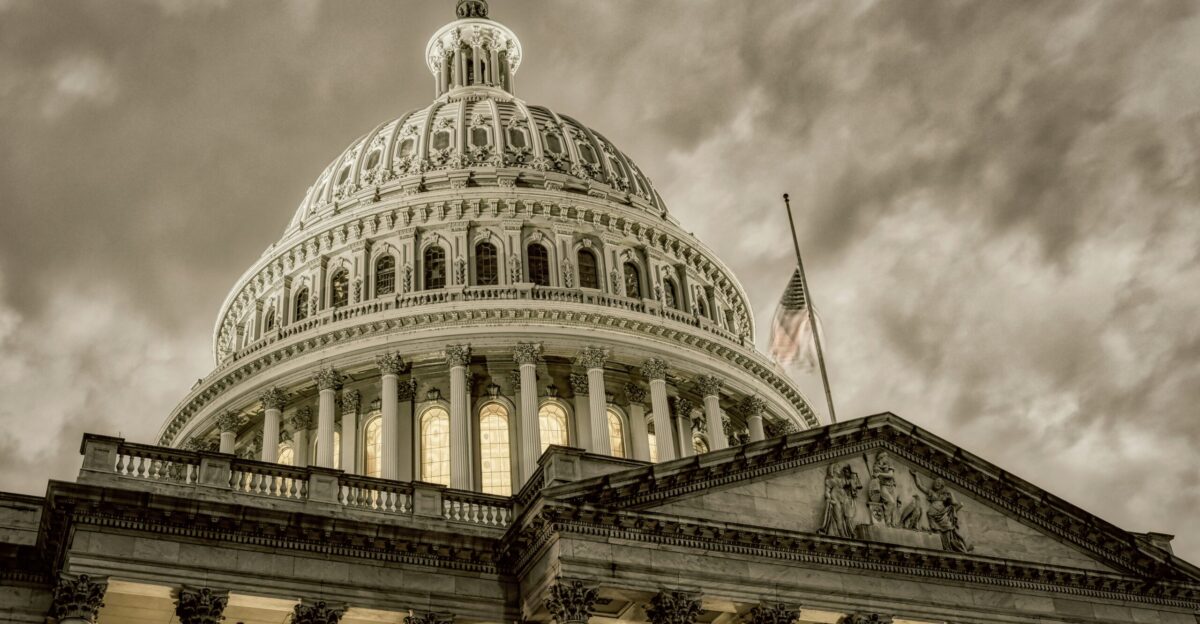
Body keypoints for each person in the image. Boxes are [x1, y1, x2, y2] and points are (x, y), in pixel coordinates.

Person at [912, 470, 972, 552]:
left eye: (939, 482)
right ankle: (945, 546)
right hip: (932, 516)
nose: (937, 483)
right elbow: (920, 486)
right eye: (936, 482)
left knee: (947, 530)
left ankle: (950, 547)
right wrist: (916, 475)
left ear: (942, 485)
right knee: (938, 532)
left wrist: (950, 496)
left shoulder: (947, 494)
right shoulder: (931, 492)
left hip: (944, 515)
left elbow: (954, 503)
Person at [818, 462, 859, 538]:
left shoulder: (842, 480)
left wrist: (851, 475)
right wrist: (829, 499)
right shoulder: (830, 480)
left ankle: (849, 532)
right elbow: (827, 491)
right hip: (835, 498)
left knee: (847, 516)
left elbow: (850, 481)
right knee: (838, 517)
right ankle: (842, 535)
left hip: (844, 498)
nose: (839, 469)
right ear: (832, 470)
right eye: (837, 467)